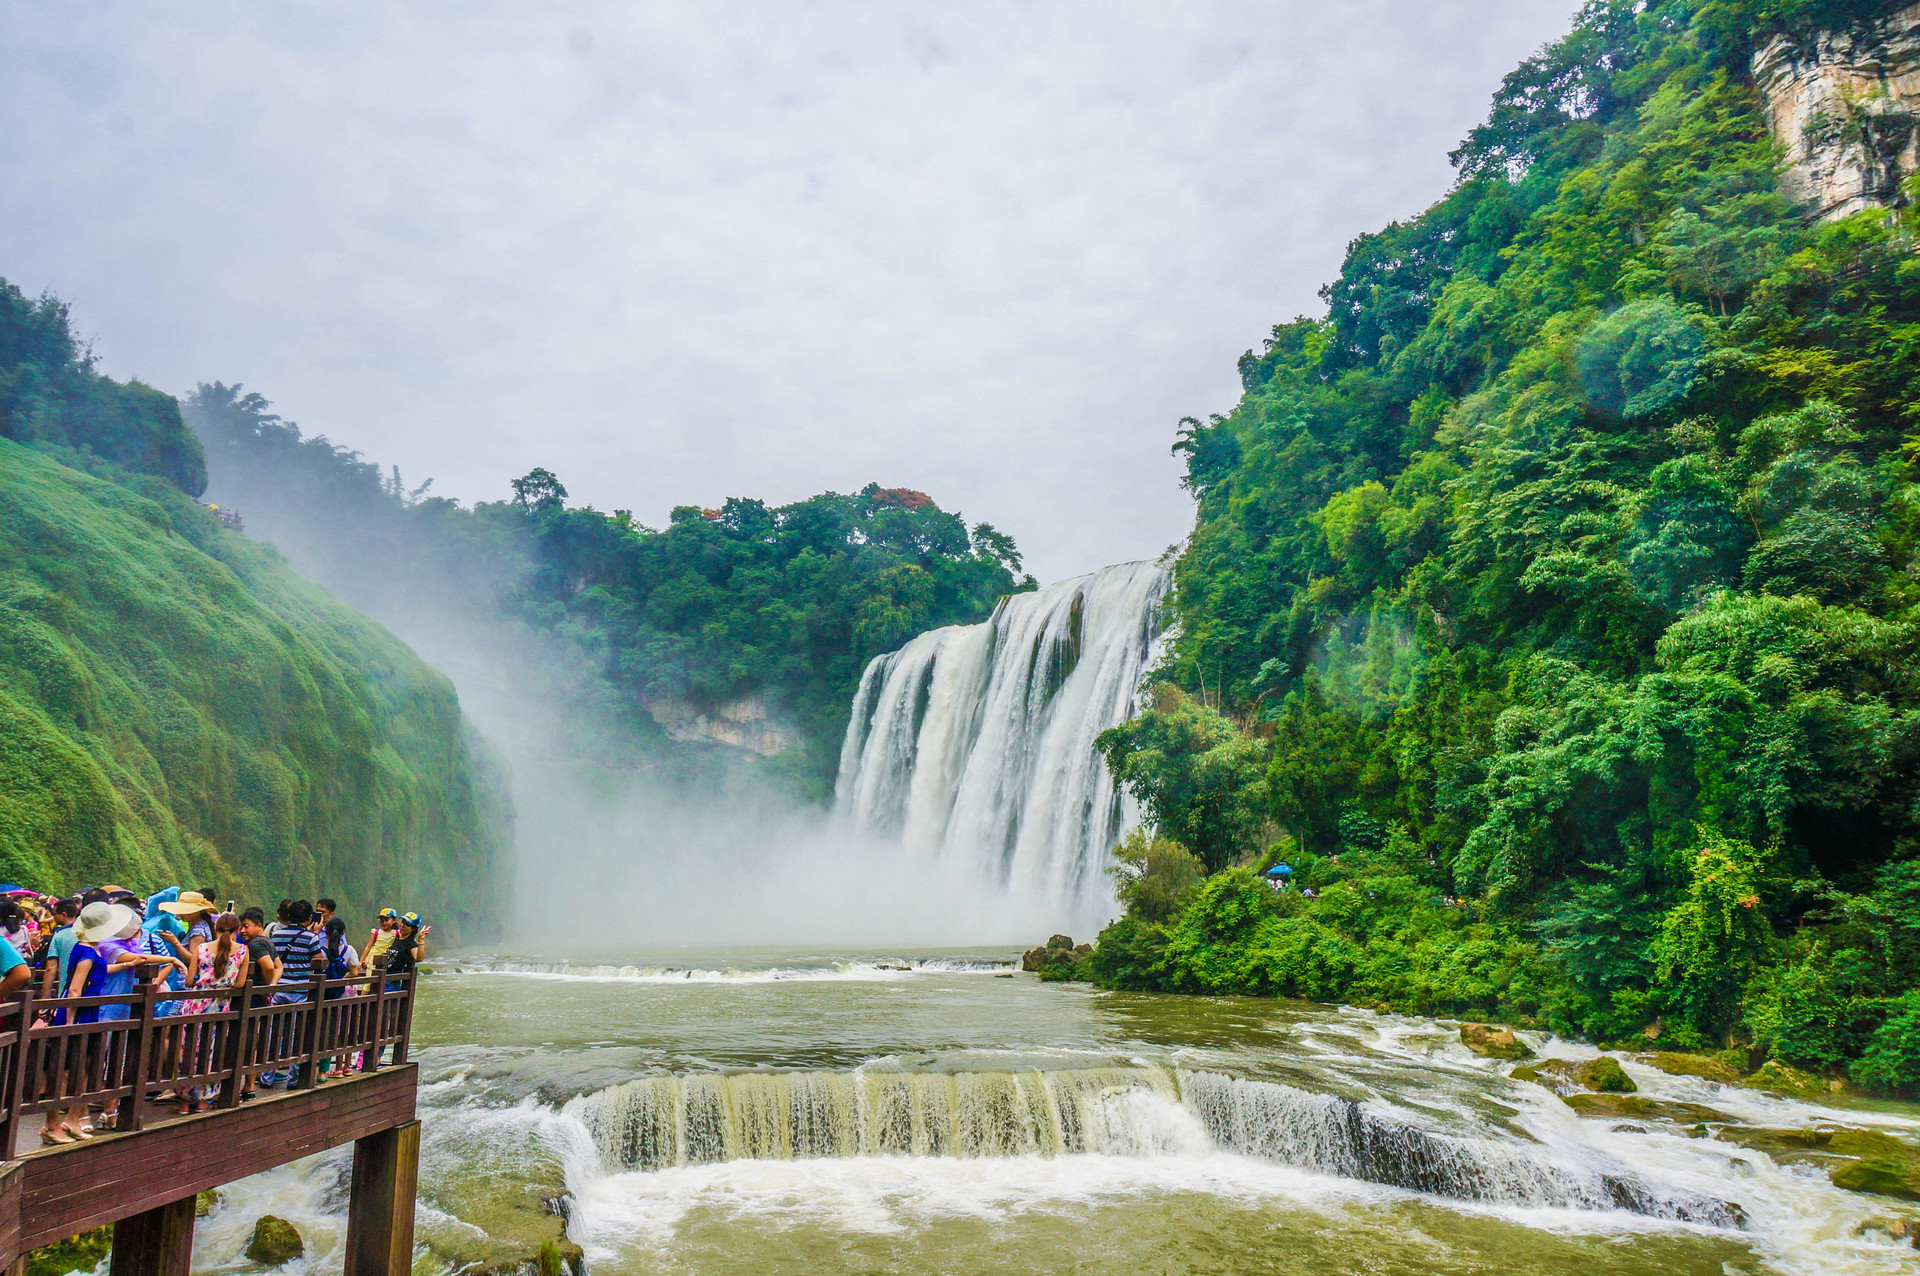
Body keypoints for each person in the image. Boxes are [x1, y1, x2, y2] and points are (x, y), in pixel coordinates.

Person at [178, 913, 249, 1114]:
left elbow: (189, 981)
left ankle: (184, 1102)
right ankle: (204, 1100)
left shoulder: (201, 949)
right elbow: (240, 983)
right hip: (219, 1006)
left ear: (215, 929)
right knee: (210, 1052)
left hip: (195, 1005)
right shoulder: (243, 951)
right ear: (236, 931)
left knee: (187, 1052)